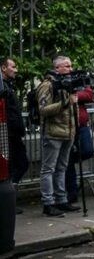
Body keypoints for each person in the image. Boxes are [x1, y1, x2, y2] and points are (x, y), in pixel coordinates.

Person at [36, 56, 81, 217]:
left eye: (70, 65)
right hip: (53, 132)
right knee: (48, 169)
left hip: (68, 132)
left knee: (62, 168)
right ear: (57, 68)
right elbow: (43, 110)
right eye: (66, 66)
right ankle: (48, 203)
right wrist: (65, 103)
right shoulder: (47, 85)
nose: (70, 68)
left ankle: (62, 200)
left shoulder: (67, 85)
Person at [1, 58, 28, 214]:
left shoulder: (8, 86)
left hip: (13, 133)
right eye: (13, 66)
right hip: (7, 133)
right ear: (4, 68)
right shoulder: (3, 87)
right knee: (14, 165)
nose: (15, 69)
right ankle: (7, 201)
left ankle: (9, 199)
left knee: (20, 164)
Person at [65, 81, 94, 205]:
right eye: (66, 65)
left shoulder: (78, 79)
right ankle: (72, 192)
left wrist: (75, 95)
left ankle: (67, 161)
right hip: (67, 125)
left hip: (81, 124)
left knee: (88, 150)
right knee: (68, 160)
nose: (69, 68)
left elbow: (89, 95)